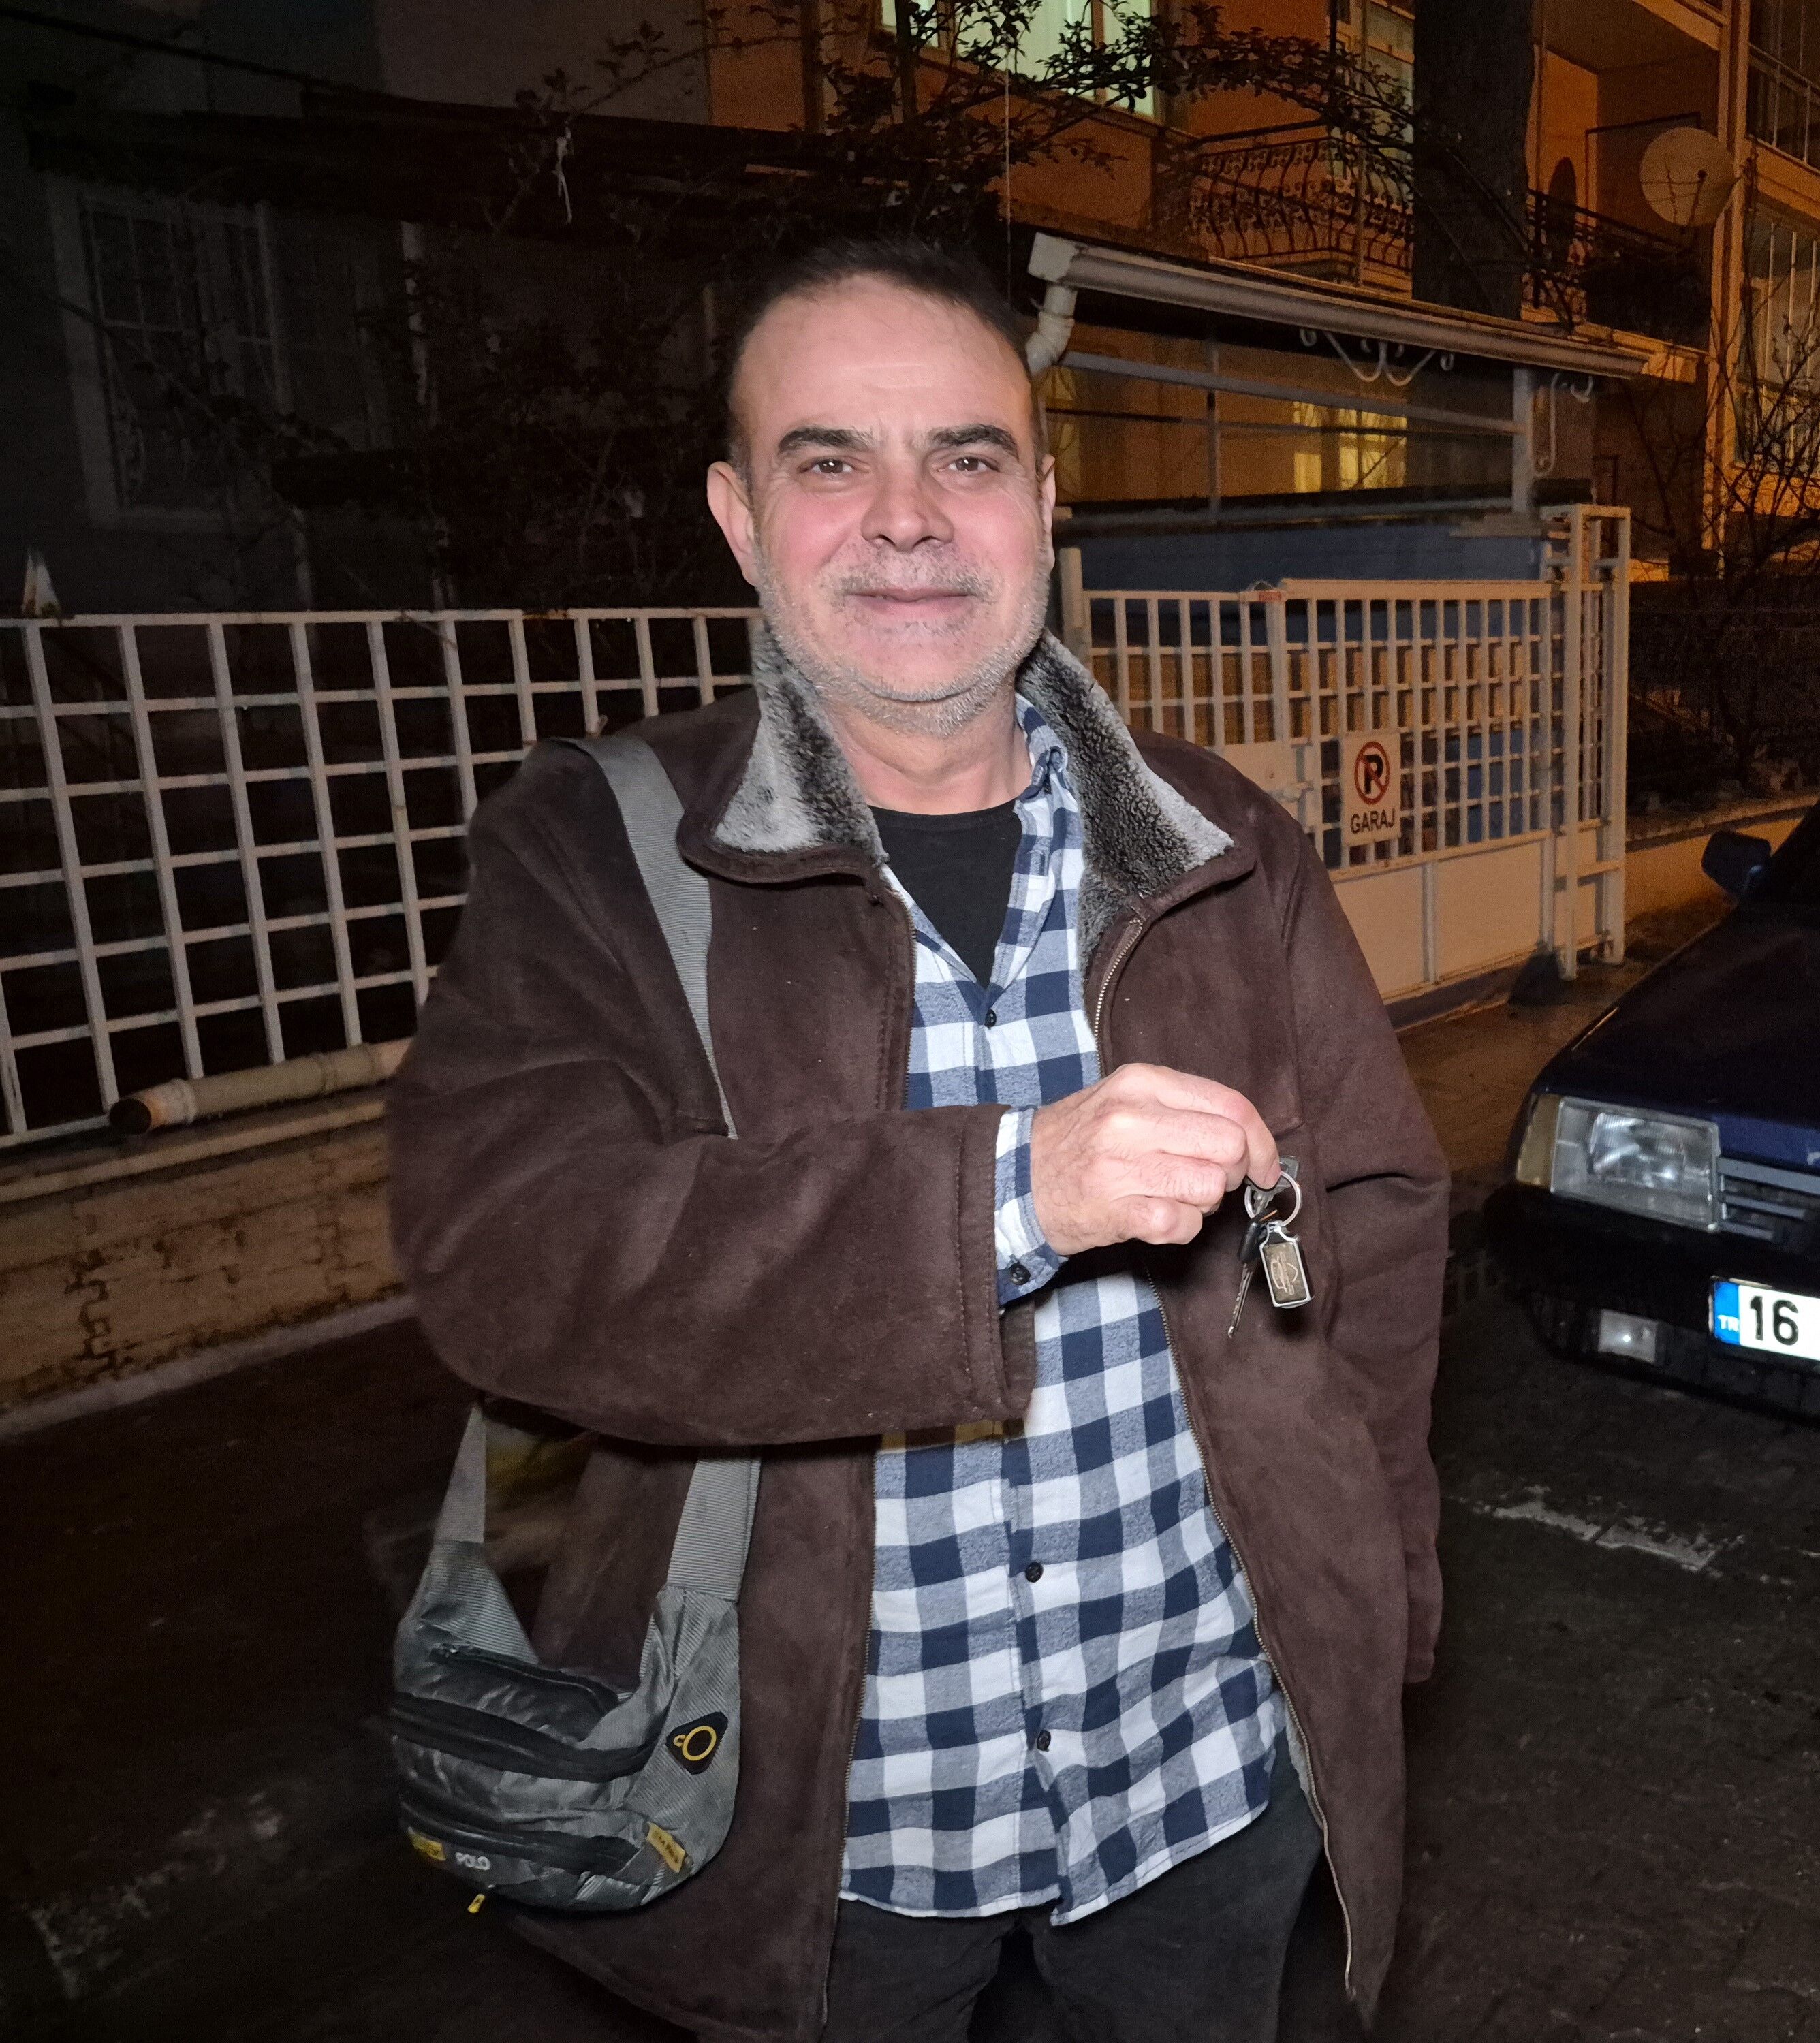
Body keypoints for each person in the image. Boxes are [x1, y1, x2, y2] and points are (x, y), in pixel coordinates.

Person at [389, 236, 1449, 2043]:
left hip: (1206, 1766)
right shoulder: (600, 850)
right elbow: (513, 1261)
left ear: (1042, 501)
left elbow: (1382, 1228)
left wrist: (1381, 1603)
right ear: (739, 516)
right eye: (830, 460)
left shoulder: (1223, 842)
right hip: (817, 1818)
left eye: (966, 456)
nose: (906, 518)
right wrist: (1004, 1197)